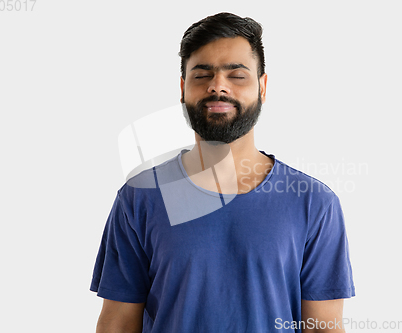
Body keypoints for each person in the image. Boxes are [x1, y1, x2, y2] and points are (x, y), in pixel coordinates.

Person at [91, 12, 355, 333]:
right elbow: (118, 322)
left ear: (262, 86)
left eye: (237, 75)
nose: (218, 86)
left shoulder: (314, 202)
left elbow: (322, 326)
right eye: (202, 75)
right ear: (183, 87)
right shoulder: (139, 197)